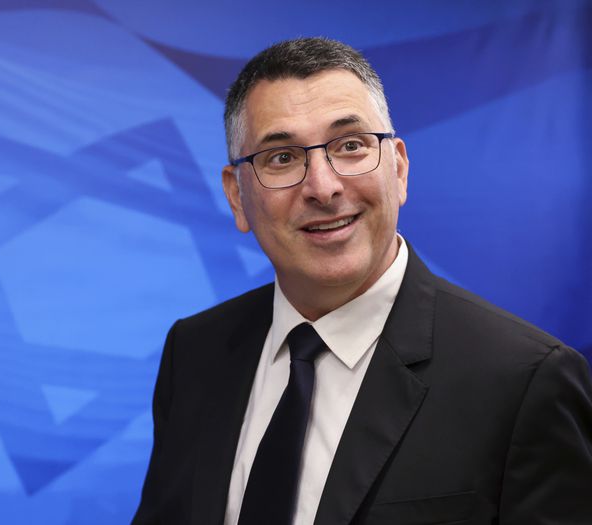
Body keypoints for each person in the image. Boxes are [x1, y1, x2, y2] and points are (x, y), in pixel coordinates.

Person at [132, 37, 592, 525]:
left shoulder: (525, 381)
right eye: (282, 158)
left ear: (398, 168)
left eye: (349, 146)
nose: (324, 187)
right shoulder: (195, 352)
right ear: (237, 197)